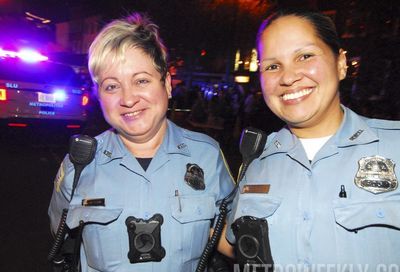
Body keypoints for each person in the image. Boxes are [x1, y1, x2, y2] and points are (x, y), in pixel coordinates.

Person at [48, 12, 234, 272]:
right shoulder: (79, 165)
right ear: (99, 96)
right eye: (112, 86)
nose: (128, 98)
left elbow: (231, 238)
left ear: (167, 84)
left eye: (142, 80)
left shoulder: (207, 155)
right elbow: (62, 239)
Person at [221, 9, 400, 270]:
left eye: (304, 56)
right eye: (272, 66)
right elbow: (233, 243)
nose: (288, 77)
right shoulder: (256, 161)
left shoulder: (394, 147)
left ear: (341, 63)